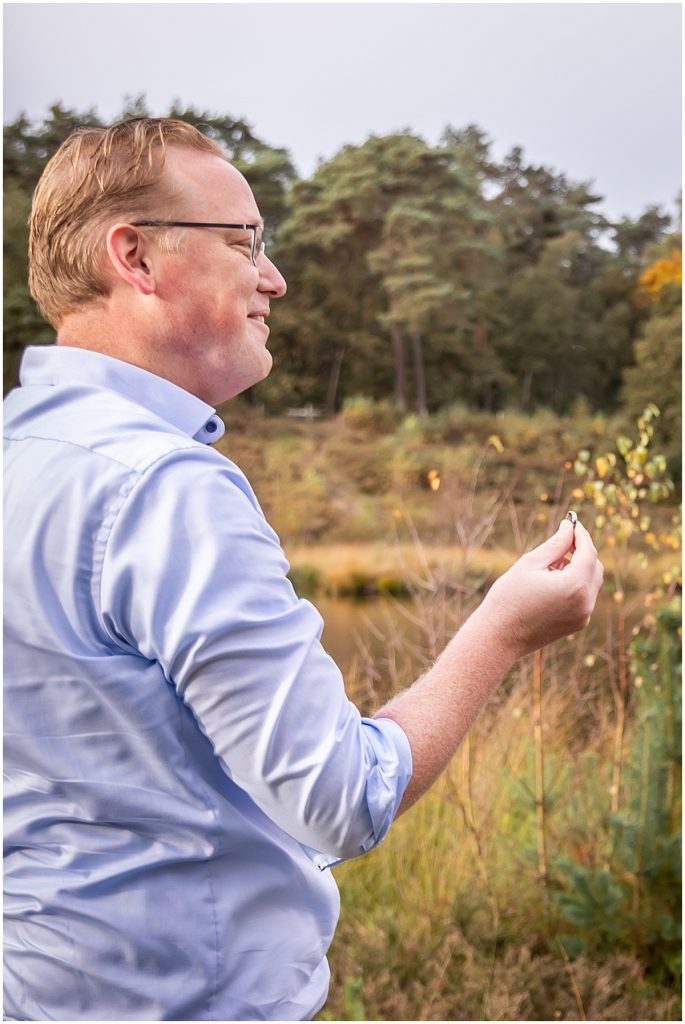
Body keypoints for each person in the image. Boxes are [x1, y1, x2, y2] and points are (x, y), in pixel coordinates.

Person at [3, 118, 604, 1022]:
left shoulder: (21, 455)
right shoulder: (165, 486)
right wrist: (502, 630)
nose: (274, 277)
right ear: (135, 256)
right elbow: (342, 800)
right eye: (244, 242)